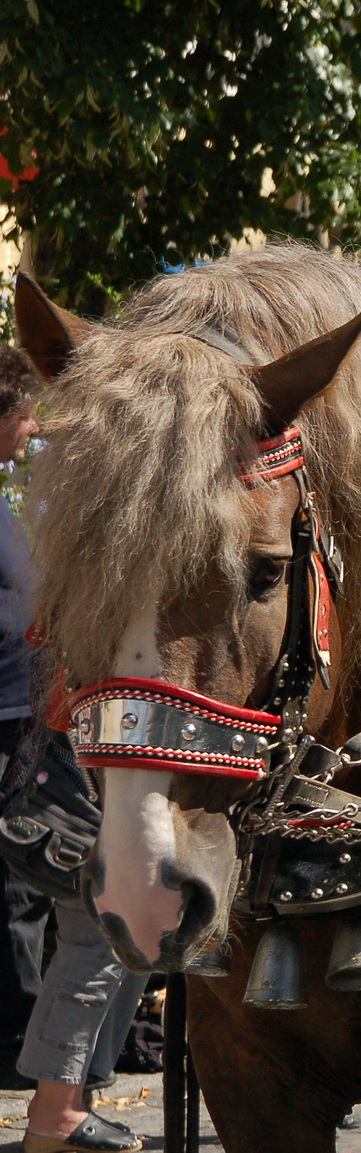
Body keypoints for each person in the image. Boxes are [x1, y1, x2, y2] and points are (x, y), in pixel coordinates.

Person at [0, 344, 147, 1153]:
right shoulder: (56, 522)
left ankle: (70, 1100)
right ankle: (55, 1115)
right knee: (102, 925)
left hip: (64, 745)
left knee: (120, 927)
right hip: (56, 750)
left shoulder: (55, 507)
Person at [0, 344, 48, 1091]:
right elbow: (28, 600)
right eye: (28, 412)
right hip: (8, 711)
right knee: (21, 871)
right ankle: (19, 1035)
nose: (35, 426)